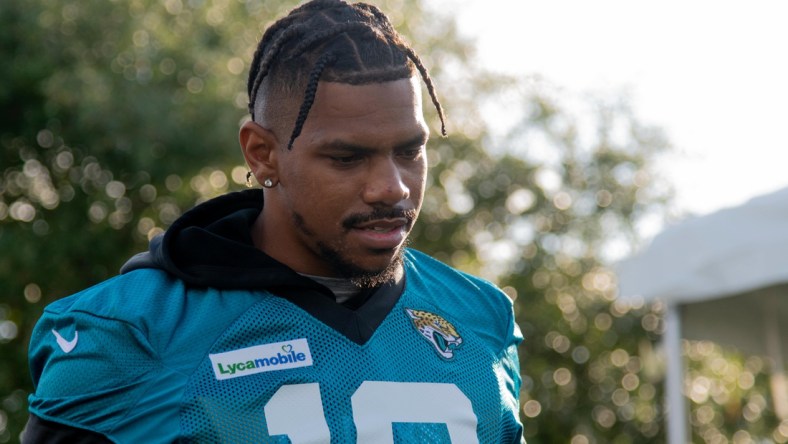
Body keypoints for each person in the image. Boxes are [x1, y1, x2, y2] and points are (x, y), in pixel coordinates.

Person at [23, 0, 524, 442]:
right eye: (347, 158)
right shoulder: (134, 333)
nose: (391, 187)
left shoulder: (480, 318)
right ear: (262, 154)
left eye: (410, 151)